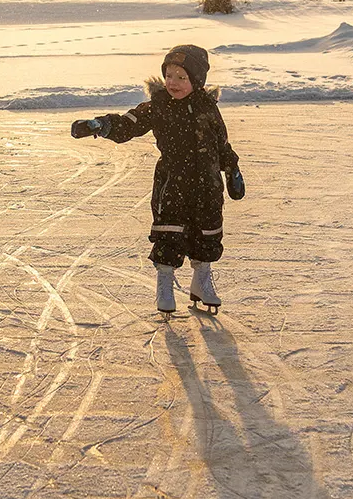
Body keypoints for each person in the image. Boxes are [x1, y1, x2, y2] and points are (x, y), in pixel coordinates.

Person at [70, 45, 246, 315]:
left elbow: (221, 144)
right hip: (173, 183)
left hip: (208, 186)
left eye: (181, 77)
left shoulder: (208, 108)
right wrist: (101, 125)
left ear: (196, 81)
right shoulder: (159, 106)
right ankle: (164, 284)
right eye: (169, 76)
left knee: (207, 234)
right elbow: (128, 123)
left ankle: (201, 282)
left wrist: (232, 169)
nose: (173, 83)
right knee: (169, 234)